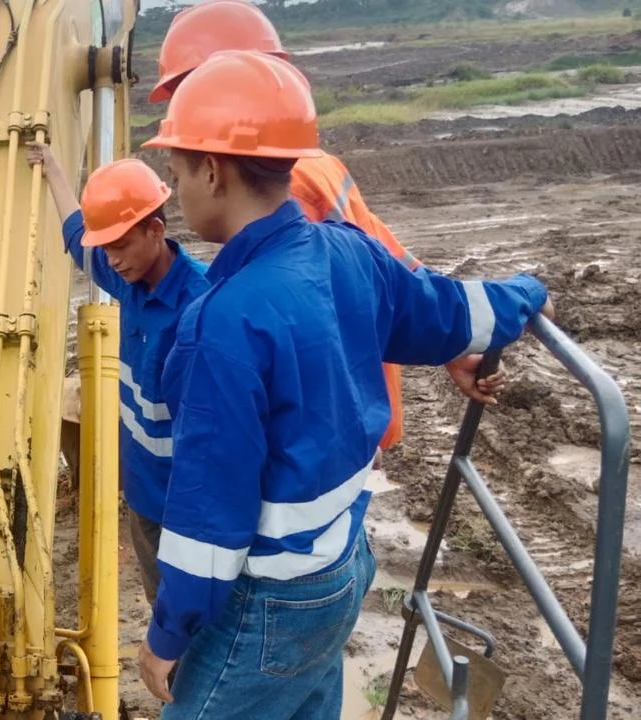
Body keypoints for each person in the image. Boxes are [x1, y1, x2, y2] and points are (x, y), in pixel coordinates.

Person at [135, 50, 552, 717]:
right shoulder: (349, 252)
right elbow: (447, 313)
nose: (176, 190)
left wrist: (166, 635)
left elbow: (210, 516)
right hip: (342, 565)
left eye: (177, 172)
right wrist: (526, 293)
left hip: (269, 598)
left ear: (211, 171)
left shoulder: (220, 323)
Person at [148, 0, 507, 459]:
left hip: (327, 428)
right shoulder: (313, 165)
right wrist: (451, 346)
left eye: (187, 92)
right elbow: (392, 262)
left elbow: (294, 327)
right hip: (357, 405)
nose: (180, 113)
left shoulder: (276, 194)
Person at [28, 148, 209, 605]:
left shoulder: (202, 305)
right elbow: (77, 237)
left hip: (190, 510)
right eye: (106, 248)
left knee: (196, 620)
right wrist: (53, 169)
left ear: (156, 230)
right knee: (161, 604)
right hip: (144, 495)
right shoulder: (130, 280)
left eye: (120, 246)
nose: (112, 260)